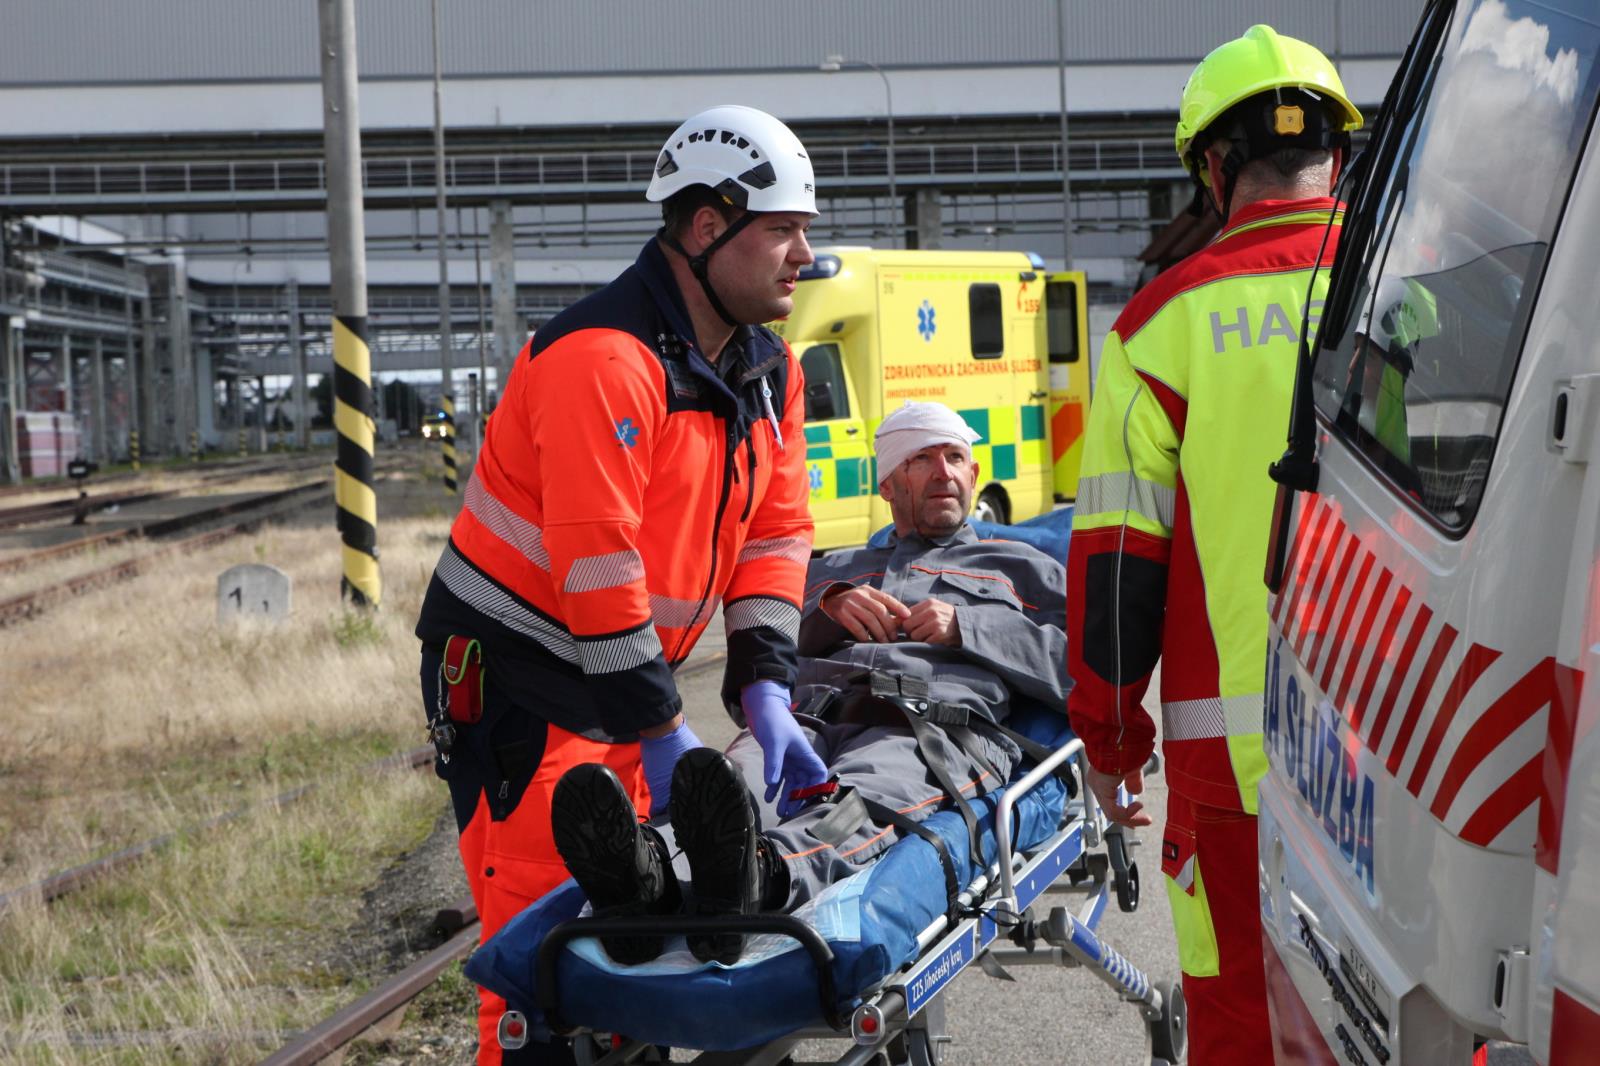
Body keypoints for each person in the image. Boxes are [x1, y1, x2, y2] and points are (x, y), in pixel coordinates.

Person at [413, 104, 827, 1065]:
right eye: (782, 229)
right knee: (547, 959)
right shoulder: (600, 360)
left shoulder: (771, 370)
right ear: (704, 227)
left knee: (634, 945)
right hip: (522, 685)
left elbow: (776, 531)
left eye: (806, 227)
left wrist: (764, 685)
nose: (804, 252)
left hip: (622, 685)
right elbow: (598, 571)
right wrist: (663, 732)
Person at [1064, 25, 1361, 1065]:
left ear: (1212, 166)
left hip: (1234, 770)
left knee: (1242, 1028)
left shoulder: (1156, 328)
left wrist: (1108, 740)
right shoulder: (1412, 307)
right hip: (1404, 753)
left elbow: (1113, 569)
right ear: (1340, 154)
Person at [548, 401, 1069, 966]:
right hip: (804, 722)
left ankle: (764, 880)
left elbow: (1085, 672)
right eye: (922, 459)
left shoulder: (1020, 566)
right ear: (889, 484)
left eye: (955, 458)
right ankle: (647, 877)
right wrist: (825, 609)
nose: (944, 472)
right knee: (724, 793)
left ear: (972, 474)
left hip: (924, 734)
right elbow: (746, 678)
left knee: (851, 807)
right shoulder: (826, 571)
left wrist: (968, 627)